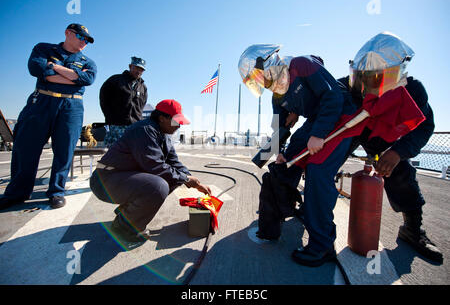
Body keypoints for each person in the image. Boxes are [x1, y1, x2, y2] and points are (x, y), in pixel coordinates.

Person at [238, 44, 356, 267]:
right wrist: (280, 153)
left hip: (340, 115)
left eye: (259, 76)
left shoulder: (302, 64)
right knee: (283, 167)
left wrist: (319, 134)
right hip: (316, 121)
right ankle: (288, 207)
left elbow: (332, 96)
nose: (261, 82)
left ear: (268, 64)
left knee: (317, 174)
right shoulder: (276, 95)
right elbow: (279, 129)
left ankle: (322, 246)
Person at [338, 32, 443, 264]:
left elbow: (426, 127)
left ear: (393, 75)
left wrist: (398, 153)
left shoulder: (413, 91)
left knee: (402, 176)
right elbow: (333, 91)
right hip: (359, 131)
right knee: (327, 161)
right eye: (363, 78)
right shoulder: (351, 88)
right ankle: (312, 207)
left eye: (375, 78)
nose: (367, 86)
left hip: (388, 139)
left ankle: (412, 230)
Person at [0, 23, 96, 210]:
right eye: (81, 37)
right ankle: (17, 193)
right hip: (42, 102)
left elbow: (86, 80)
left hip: (71, 106)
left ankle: (56, 192)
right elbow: (37, 69)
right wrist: (71, 76)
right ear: (68, 33)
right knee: (26, 148)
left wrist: (54, 68)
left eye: (87, 40)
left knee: (64, 150)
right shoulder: (43, 48)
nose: (85, 42)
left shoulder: (87, 62)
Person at [89, 99, 211, 242]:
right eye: (176, 121)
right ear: (162, 118)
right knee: (158, 186)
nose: (178, 126)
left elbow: (174, 162)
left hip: (120, 178)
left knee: (174, 178)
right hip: (106, 180)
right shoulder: (144, 130)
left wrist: (192, 180)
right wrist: (186, 179)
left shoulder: (164, 134)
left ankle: (127, 214)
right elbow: (155, 166)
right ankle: (124, 228)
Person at [100, 56, 148, 147]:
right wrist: (110, 118)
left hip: (135, 127)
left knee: (133, 155)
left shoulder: (143, 87)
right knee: (114, 155)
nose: (138, 71)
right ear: (130, 66)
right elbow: (104, 100)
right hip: (116, 125)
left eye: (141, 69)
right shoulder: (115, 80)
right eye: (136, 68)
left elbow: (142, 105)